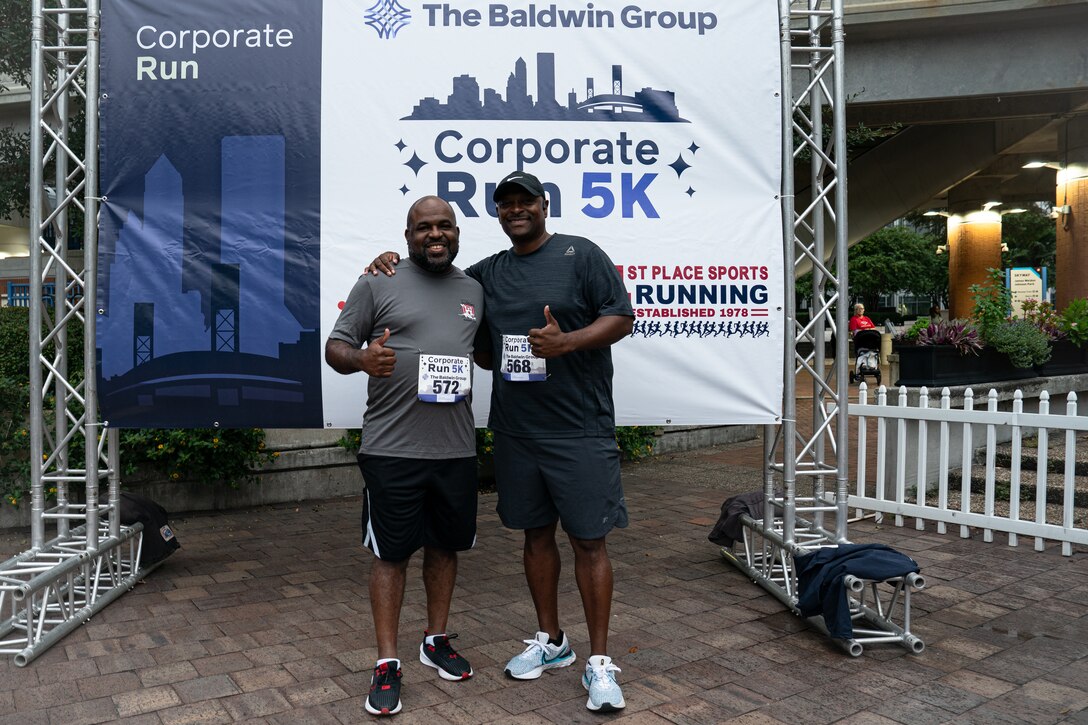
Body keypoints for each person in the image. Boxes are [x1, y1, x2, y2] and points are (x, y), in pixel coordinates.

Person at [369, 171, 634, 712]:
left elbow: (621, 318)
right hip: (515, 430)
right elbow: (462, 317)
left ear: (543, 205)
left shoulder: (581, 254)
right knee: (535, 538)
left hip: (579, 429)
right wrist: (384, 264)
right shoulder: (486, 274)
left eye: (525, 201)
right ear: (496, 214)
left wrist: (567, 344)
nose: (517, 210)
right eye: (506, 204)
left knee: (590, 542)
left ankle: (600, 662)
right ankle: (551, 642)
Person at [326, 196, 483, 717]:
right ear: (408, 234)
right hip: (392, 448)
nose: (434, 235)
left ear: (456, 232)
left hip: (456, 448)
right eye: (423, 228)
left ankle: (434, 639)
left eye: (444, 226)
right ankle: (387, 661)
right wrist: (363, 358)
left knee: (445, 547)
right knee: (390, 555)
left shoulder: (473, 290)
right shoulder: (377, 281)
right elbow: (335, 348)